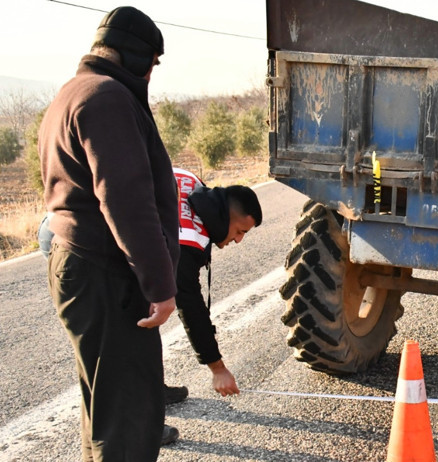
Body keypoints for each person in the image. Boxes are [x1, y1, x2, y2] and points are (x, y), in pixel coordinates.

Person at [38, 6, 180, 459]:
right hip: (104, 274)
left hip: (80, 265)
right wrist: (159, 285)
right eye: (152, 64)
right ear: (136, 55)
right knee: (129, 417)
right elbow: (126, 200)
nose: (151, 76)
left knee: (105, 408)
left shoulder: (72, 92)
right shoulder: (107, 98)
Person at [170, 167, 262, 398]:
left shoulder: (193, 183)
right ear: (224, 217)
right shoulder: (189, 241)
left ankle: (149, 390)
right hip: (97, 249)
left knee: (150, 309)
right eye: (240, 231)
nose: (239, 240)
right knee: (135, 323)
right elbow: (190, 306)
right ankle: (136, 422)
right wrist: (217, 368)